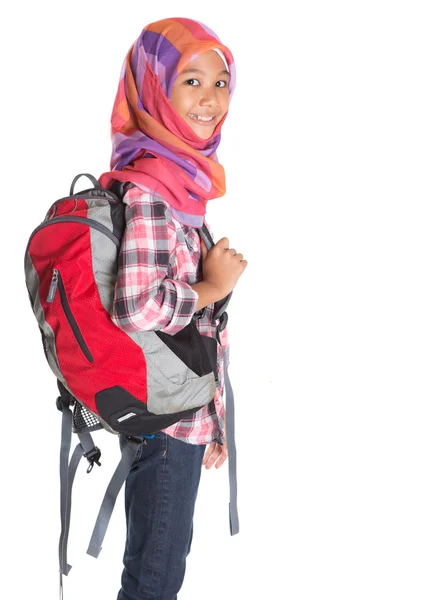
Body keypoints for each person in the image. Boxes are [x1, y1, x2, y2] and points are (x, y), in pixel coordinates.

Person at [98, 17, 248, 600]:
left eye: (221, 82)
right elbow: (135, 307)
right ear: (154, 87)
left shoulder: (181, 185)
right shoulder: (154, 190)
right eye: (190, 80)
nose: (211, 99)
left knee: (154, 572)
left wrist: (213, 422)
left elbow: (186, 326)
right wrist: (212, 285)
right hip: (164, 425)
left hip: (175, 417)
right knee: (154, 583)